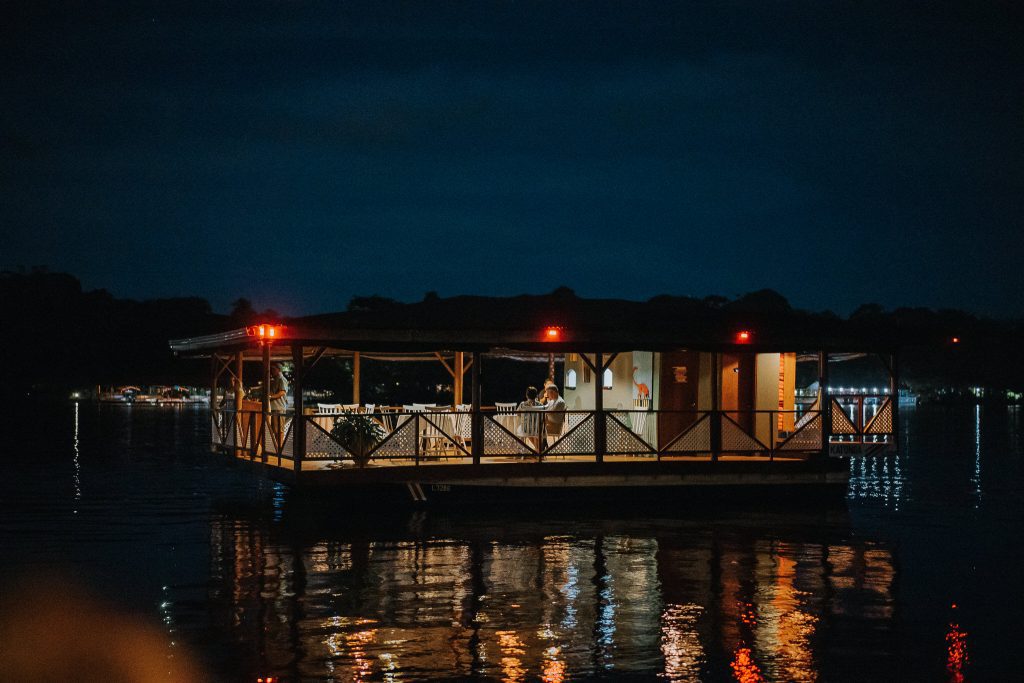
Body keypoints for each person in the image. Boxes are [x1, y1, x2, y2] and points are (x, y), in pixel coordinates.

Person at [516, 386, 543, 451]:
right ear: (536, 395)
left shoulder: (522, 404)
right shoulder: (540, 405)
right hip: (537, 429)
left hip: (525, 429)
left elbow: (518, 413)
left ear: (526, 395)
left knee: (519, 429)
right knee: (536, 430)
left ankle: (522, 450)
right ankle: (538, 450)